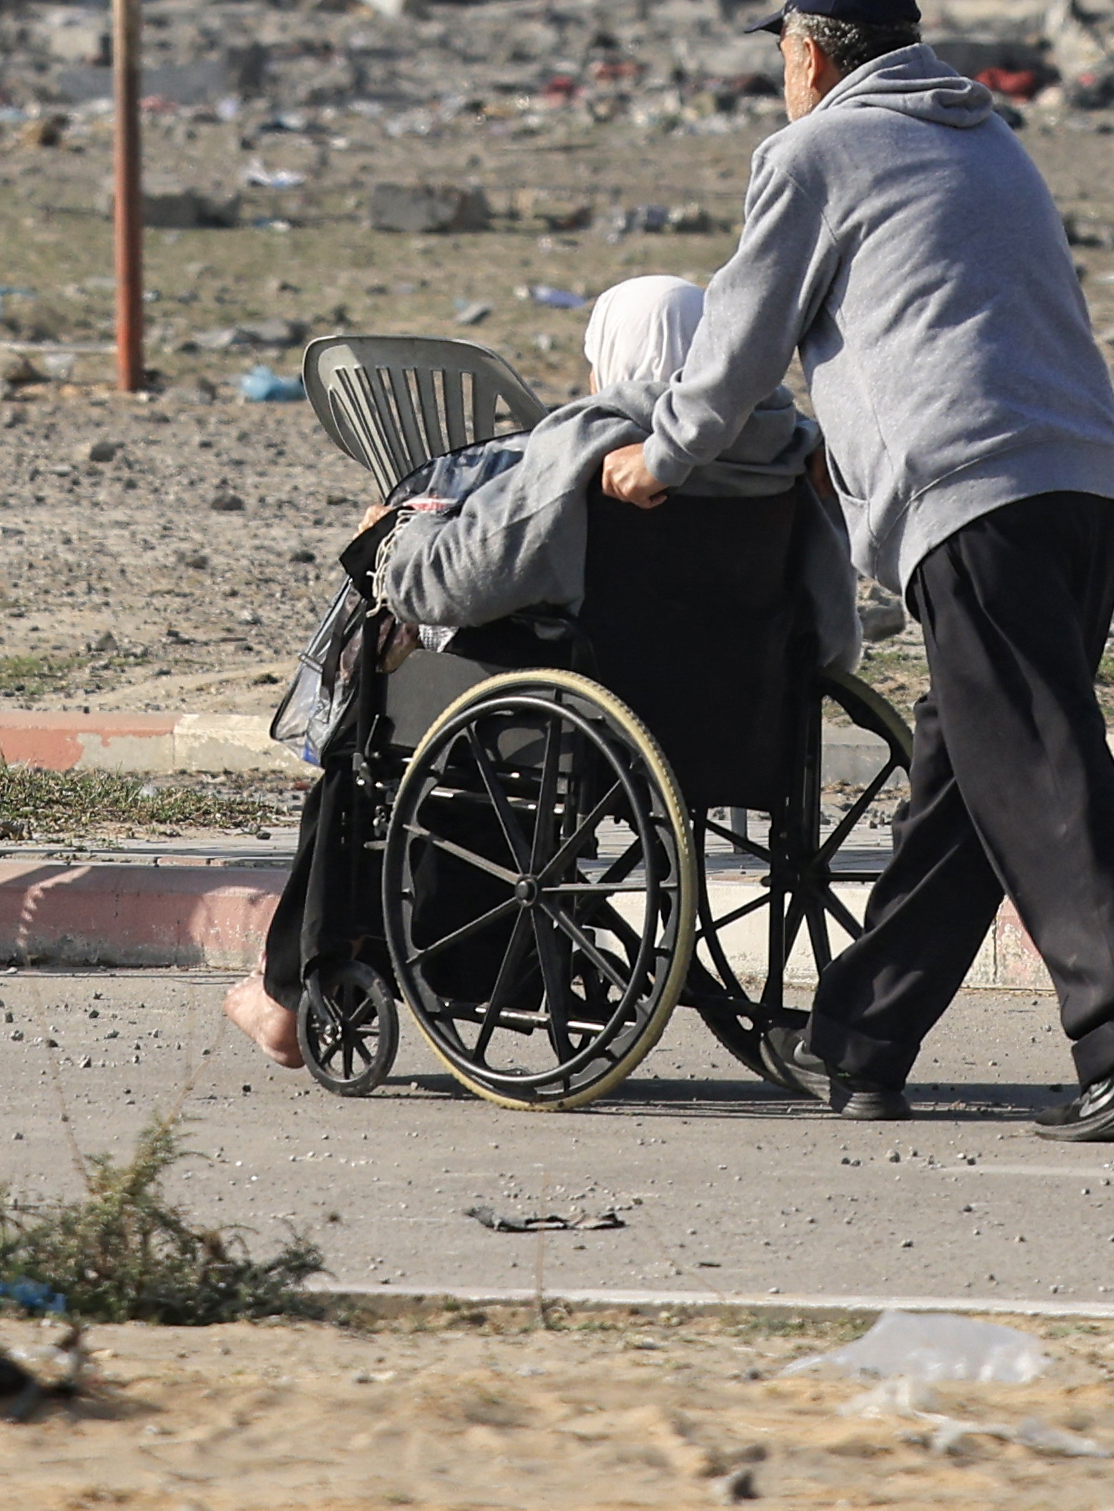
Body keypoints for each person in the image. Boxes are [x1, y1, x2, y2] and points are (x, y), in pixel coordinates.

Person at [611, 0, 1114, 1140]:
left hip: (969, 490)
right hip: (1081, 485)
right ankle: (859, 1040)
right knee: (967, 782)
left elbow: (742, 334)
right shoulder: (988, 138)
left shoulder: (812, 153)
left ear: (808, 53)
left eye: (780, 56)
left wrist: (663, 456)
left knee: (1039, 763)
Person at [227, 275, 852, 1071]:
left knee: (367, 734)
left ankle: (287, 990)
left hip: (581, 725)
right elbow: (832, 636)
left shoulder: (590, 443)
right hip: (738, 723)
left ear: (608, 361)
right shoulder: (786, 451)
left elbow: (456, 576)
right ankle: (466, 955)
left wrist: (393, 542)